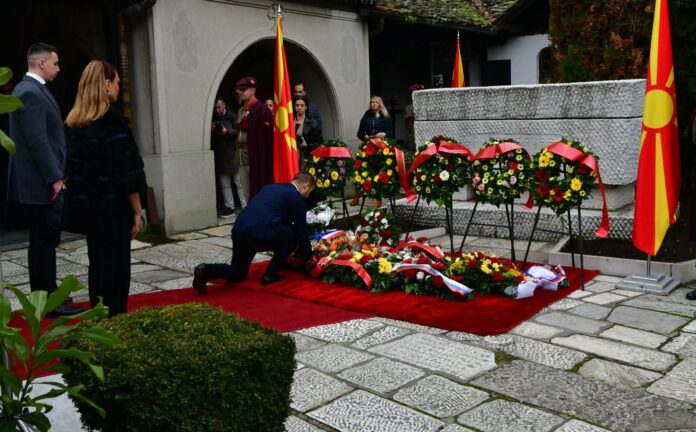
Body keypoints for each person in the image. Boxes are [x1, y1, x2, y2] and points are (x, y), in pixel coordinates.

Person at [64, 60, 147, 316]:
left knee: (98, 264)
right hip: (113, 206)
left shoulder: (76, 122)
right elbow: (126, 170)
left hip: (89, 207)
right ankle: (115, 318)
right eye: (117, 82)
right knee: (117, 266)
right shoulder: (111, 121)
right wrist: (137, 210)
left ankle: (98, 315)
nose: (120, 87)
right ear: (106, 84)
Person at [6, 43, 83, 315]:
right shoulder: (29, 91)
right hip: (40, 182)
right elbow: (37, 141)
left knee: (44, 240)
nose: (59, 69)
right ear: (41, 63)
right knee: (43, 242)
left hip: (41, 181)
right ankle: (47, 302)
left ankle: (47, 295)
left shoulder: (31, 89)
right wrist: (55, 177)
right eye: (55, 63)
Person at [192, 172, 316, 293]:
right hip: (260, 234)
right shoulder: (297, 198)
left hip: (240, 231)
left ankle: (205, 270)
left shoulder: (270, 187)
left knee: (237, 273)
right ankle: (270, 274)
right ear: (306, 186)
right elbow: (301, 230)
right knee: (293, 234)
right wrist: (308, 258)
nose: (307, 196)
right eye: (309, 193)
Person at [234, 76, 273, 200]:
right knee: (246, 192)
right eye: (239, 90)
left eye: (244, 89)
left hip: (256, 157)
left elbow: (268, 139)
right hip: (241, 156)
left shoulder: (262, 110)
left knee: (258, 190)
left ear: (253, 90)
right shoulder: (241, 111)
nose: (240, 92)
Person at [211, 97, 238, 218]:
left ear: (224, 105)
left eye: (219, 107)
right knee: (224, 183)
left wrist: (227, 131)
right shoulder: (213, 117)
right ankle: (229, 207)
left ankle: (245, 206)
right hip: (220, 153)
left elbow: (239, 131)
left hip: (233, 152)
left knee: (238, 182)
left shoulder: (232, 115)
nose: (217, 110)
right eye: (215, 108)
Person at [294, 96, 322, 168]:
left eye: (302, 105)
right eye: (297, 105)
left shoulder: (313, 124)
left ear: (306, 107)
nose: (299, 108)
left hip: (305, 159)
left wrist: (307, 145)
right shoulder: (288, 123)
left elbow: (319, 143)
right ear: (294, 107)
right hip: (290, 158)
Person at [404, 83, 424, 151]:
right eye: (413, 93)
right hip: (413, 137)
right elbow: (408, 126)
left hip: (425, 135)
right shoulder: (408, 108)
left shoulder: (427, 107)